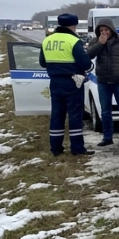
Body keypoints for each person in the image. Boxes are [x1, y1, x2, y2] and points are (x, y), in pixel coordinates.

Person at [40, 13, 94, 157]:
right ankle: (77, 148)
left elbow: (42, 62)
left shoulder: (47, 40)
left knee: (57, 115)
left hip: (55, 83)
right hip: (73, 82)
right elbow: (85, 63)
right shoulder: (73, 40)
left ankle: (56, 148)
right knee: (75, 115)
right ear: (73, 26)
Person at [86, 18, 119, 146]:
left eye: (106, 30)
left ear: (111, 29)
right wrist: (100, 44)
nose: (104, 32)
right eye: (101, 30)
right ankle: (107, 137)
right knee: (105, 111)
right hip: (103, 81)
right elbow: (88, 56)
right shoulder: (95, 41)